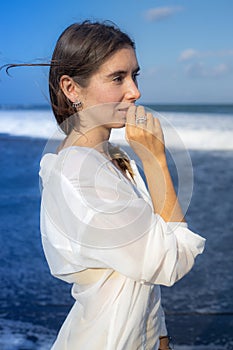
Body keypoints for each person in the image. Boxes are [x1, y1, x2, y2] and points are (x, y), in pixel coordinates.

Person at [5, 20, 205, 350]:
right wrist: (155, 159)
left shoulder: (106, 156)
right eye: (117, 78)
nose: (135, 91)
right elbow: (173, 260)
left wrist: (161, 337)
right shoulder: (79, 174)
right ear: (71, 88)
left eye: (134, 75)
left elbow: (138, 273)